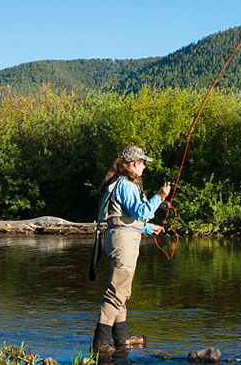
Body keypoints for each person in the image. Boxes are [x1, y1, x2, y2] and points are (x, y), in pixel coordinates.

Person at [92, 145, 171, 353]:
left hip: (119, 236)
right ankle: (100, 343)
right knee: (116, 292)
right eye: (143, 163)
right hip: (122, 241)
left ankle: (121, 337)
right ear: (135, 164)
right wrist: (160, 196)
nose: (144, 167)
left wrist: (147, 227)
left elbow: (124, 218)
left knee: (122, 291)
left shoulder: (118, 182)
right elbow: (140, 211)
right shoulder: (126, 184)